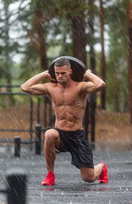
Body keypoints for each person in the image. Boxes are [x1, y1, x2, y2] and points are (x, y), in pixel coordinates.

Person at [20, 58, 108, 186]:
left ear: (70, 71)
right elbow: (24, 87)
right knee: (49, 134)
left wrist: (87, 74)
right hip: (60, 134)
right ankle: (50, 175)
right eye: (57, 73)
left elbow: (101, 84)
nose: (59, 76)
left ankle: (101, 167)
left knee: (89, 178)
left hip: (77, 136)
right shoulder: (50, 88)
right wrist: (44, 74)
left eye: (63, 73)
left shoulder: (81, 87)